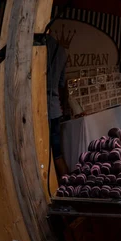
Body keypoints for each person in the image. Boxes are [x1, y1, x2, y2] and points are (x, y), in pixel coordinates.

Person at [46, 34, 69, 177]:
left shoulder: (36, 47)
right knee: (57, 154)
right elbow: (61, 83)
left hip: (40, 108)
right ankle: (67, 186)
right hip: (54, 108)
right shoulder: (61, 50)